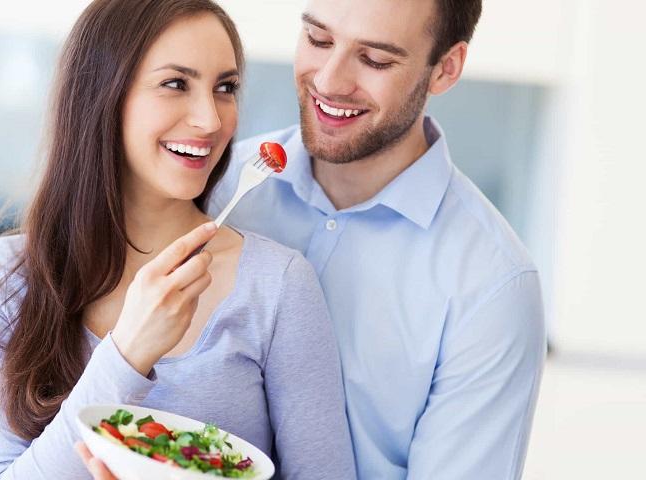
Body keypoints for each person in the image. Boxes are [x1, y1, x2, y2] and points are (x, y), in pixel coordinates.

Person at [0, 0, 356, 478]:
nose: (211, 120)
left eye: (225, 88)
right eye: (175, 84)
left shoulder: (278, 285)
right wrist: (127, 353)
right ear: (100, 95)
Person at [205, 0, 546, 479]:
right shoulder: (217, 192)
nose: (328, 80)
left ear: (445, 69)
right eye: (319, 40)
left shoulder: (491, 285)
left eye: (375, 60)